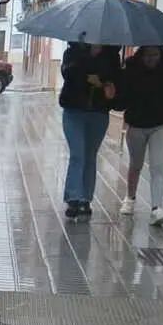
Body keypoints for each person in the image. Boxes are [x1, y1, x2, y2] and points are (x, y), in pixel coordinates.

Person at [59, 42, 121, 219]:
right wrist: (88, 57)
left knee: (90, 156)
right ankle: (73, 198)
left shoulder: (112, 55)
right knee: (77, 154)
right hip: (73, 110)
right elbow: (67, 73)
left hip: (99, 112)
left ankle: (85, 199)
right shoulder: (72, 52)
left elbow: (116, 77)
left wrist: (102, 82)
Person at [115, 45, 163, 227]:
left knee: (157, 165)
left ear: (160, 55)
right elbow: (121, 100)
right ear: (141, 55)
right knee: (136, 164)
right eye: (147, 55)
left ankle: (156, 208)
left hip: (160, 125)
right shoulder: (130, 71)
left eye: (154, 55)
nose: (151, 59)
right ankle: (130, 198)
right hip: (136, 125)